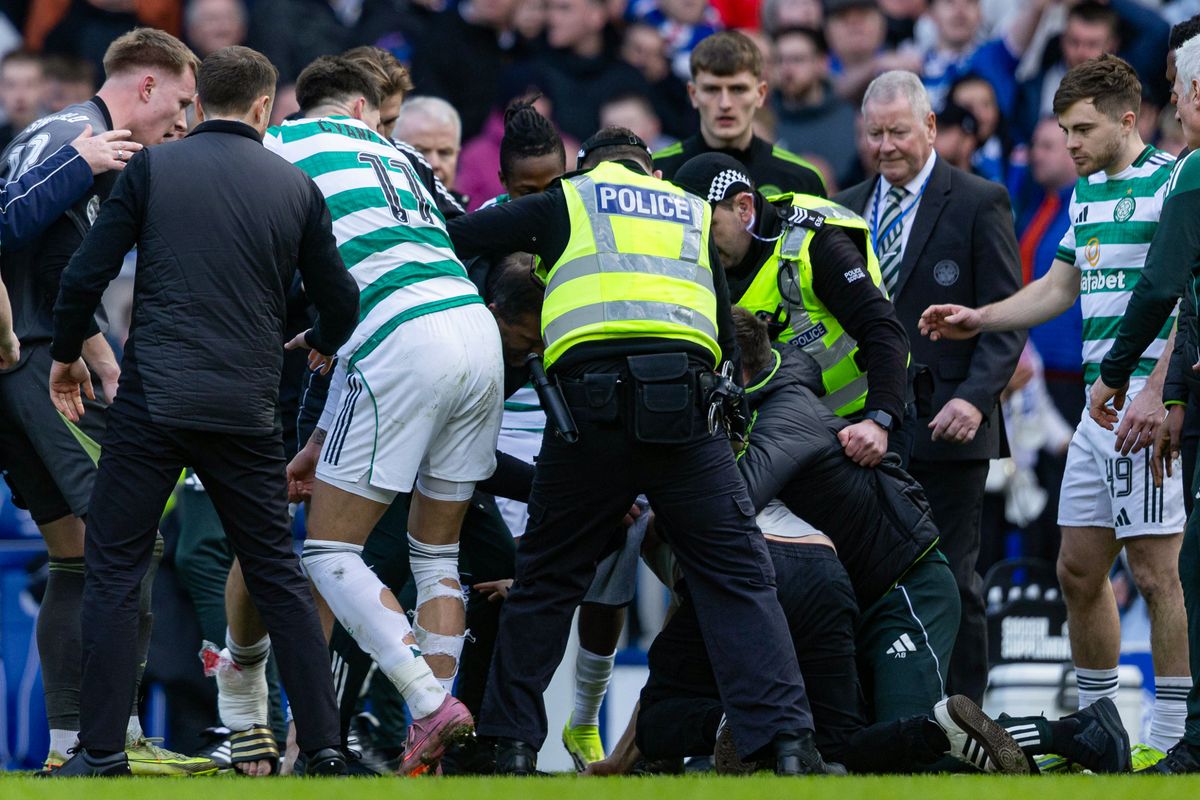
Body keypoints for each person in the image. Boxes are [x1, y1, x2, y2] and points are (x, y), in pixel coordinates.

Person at [447, 125, 837, 776]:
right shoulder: (689, 210)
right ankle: (788, 744)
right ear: (652, 172)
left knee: (546, 582)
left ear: (586, 169)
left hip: (588, 414)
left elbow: (458, 238)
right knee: (737, 579)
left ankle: (509, 744)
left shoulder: (569, 200)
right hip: (687, 414)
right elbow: (721, 329)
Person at [44, 44, 360, 778]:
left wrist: (66, 352)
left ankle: (100, 752)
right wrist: (320, 339)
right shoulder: (295, 188)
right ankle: (324, 748)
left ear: (202, 100)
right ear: (262, 107)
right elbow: (341, 300)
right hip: (247, 409)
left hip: (154, 400)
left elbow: (85, 272)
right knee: (277, 575)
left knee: (116, 568)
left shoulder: (154, 168)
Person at [923, 56, 1191, 765]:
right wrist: (979, 317)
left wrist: (1163, 392)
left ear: (1128, 120)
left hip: (1145, 409)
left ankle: (1171, 737)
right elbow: (1058, 286)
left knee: (1158, 575)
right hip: (1095, 414)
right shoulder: (1084, 193)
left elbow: (1188, 300)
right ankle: (1103, 726)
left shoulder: (1173, 183)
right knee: (1077, 569)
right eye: (1063, 130)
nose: (1069, 144)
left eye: (1081, 129)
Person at [266, 55, 503, 776]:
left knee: (329, 552)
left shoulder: (282, 146)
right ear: (368, 112)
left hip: (399, 341)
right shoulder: (398, 156)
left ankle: (429, 703)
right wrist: (317, 437)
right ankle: (423, 745)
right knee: (437, 558)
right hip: (475, 329)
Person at [0, 27, 215, 776]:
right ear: (146, 86)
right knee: (132, 543)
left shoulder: (65, 137)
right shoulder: (80, 140)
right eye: (182, 103)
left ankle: (69, 749)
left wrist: (95, 347)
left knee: (76, 554)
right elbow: (7, 225)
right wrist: (75, 170)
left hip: (25, 358)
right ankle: (113, 741)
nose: (184, 123)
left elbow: (57, 259)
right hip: (31, 362)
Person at [834, 70, 1024, 705]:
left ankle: (964, 718)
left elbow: (1007, 317)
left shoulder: (979, 200)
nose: (886, 145)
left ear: (932, 128)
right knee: (861, 575)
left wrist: (975, 397)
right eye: (875, 133)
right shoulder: (845, 207)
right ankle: (878, 716)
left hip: (950, 426)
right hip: (863, 429)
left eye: (898, 131)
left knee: (954, 579)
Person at [1086, 33, 1200, 773]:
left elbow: (1164, 287)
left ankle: (1194, 738)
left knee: (1191, 572)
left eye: (1183, 95)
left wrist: (1116, 376)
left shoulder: (1192, 173)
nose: (1181, 113)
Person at [672, 152, 909, 466]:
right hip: (786, 428)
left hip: (865, 421)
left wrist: (878, 420)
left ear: (743, 207)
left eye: (708, 225)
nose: (699, 241)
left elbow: (883, 329)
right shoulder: (701, 259)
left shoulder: (814, 243)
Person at [653, 30, 826, 198]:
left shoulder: (802, 179)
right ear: (693, 94)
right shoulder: (656, 172)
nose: (725, 104)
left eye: (738, 89)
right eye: (712, 89)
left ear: (760, 94)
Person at [770, 26, 859, 190]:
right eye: (779, 60)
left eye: (797, 59)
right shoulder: (764, 118)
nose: (787, 69)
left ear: (822, 63)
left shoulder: (850, 118)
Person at [395, 96, 464, 200]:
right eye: (420, 152)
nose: (434, 163)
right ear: (392, 152)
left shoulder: (468, 213)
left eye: (444, 153)